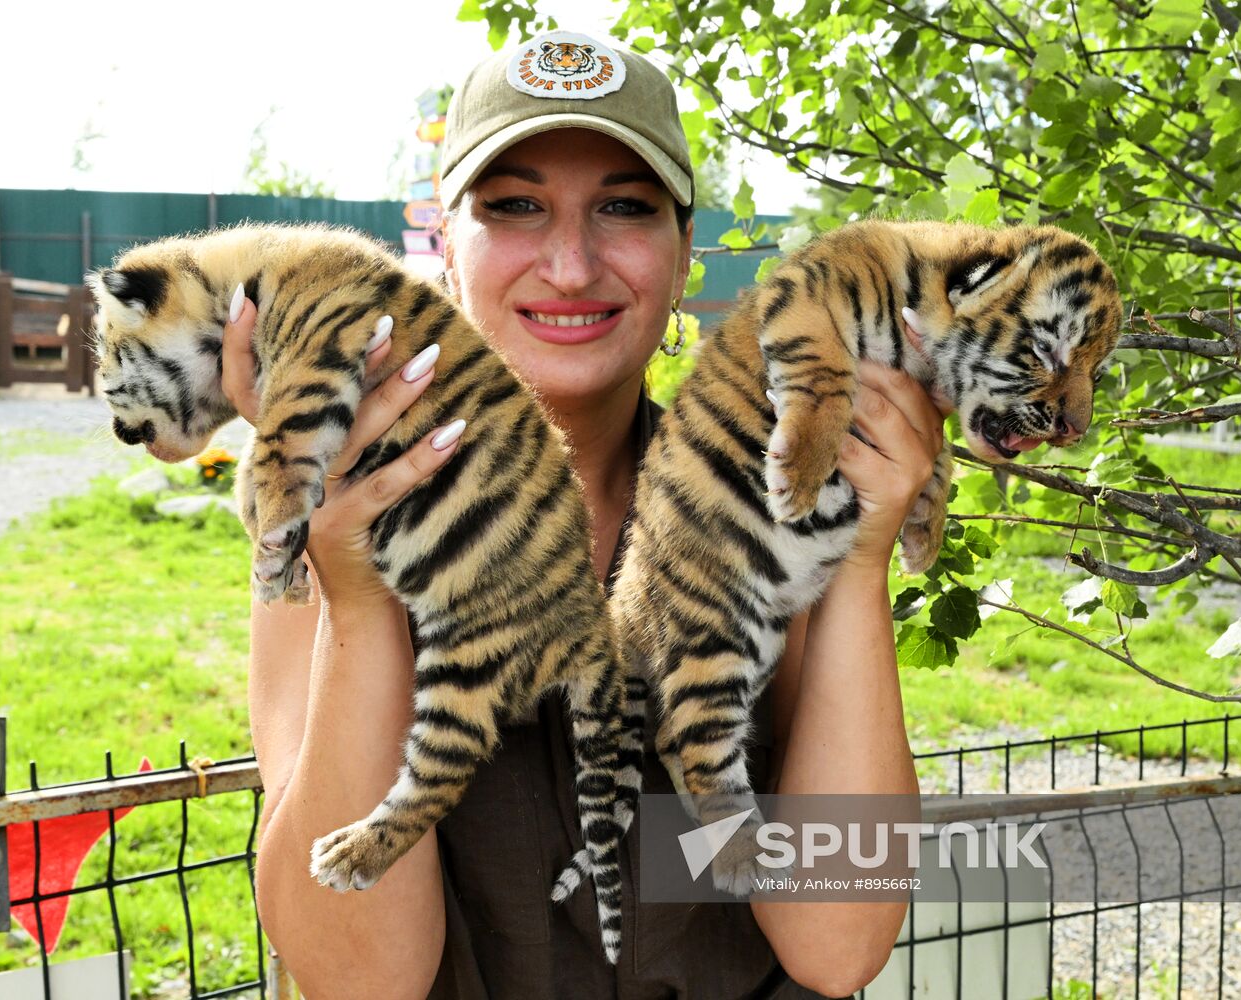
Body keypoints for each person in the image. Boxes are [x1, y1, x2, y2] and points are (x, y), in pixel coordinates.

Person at [226, 31, 944, 1000]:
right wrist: (360, 603)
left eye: (622, 207)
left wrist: (858, 562)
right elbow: (361, 980)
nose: (569, 264)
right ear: (445, 245)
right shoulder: (341, 521)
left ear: (684, 250)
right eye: (515, 207)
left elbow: (836, 940)